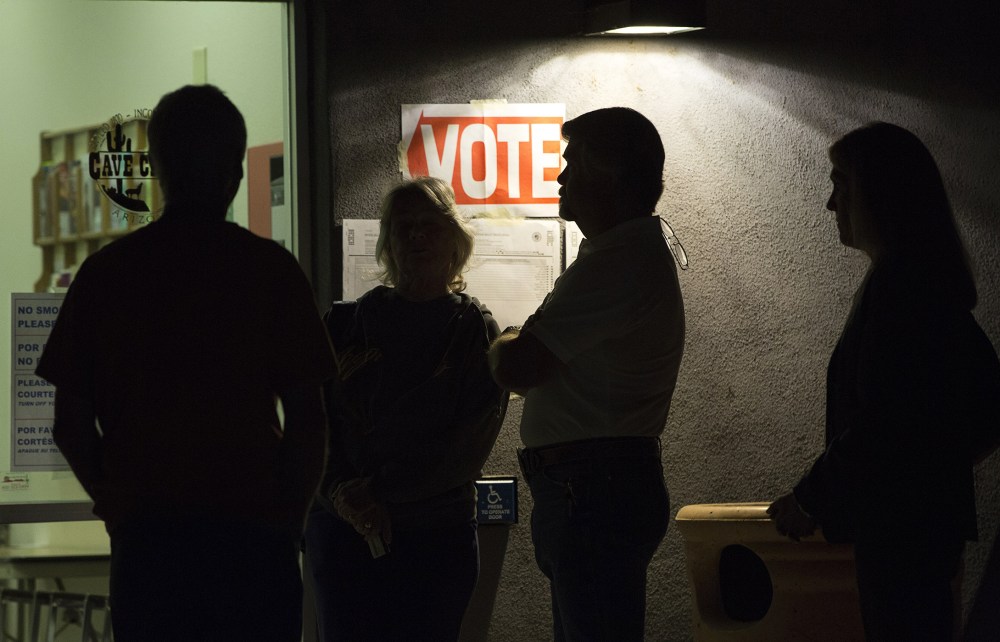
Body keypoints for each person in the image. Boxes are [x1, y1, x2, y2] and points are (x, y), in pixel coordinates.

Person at [35, 84, 336, 641]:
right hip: (252, 544)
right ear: (235, 174)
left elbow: (69, 423)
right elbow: (309, 420)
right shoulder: (270, 272)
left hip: (150, 545)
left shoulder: (108, 274)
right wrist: (286, 523)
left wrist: (118, 501)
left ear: (158, 169)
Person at [768, 122, 1000, 641]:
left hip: (900, 535)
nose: (831, 204)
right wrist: (939, 466)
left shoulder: (901, 291)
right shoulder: (918, 283)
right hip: (915, 529)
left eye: (840, 183)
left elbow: (881, 424)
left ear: (878, 192)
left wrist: (809, 499)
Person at [488, 107, 685, 641]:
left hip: (592, 490)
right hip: (594, 486)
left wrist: (505, 338)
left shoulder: (617, 263)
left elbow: (518, 366)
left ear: (610, 176)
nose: (560, 177)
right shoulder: (619, 255)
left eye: (571, 164)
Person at [303, 176, 508, 641]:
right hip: (343, 535)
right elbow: (315, 422)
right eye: (403, 226)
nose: (415, 235)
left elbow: (465, 446)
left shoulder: (473, 330)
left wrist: (376, 493)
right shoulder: (344, 324)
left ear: (454, 238)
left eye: (429, 225)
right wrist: (340, 492)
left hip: (432, 539)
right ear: (387, 242)